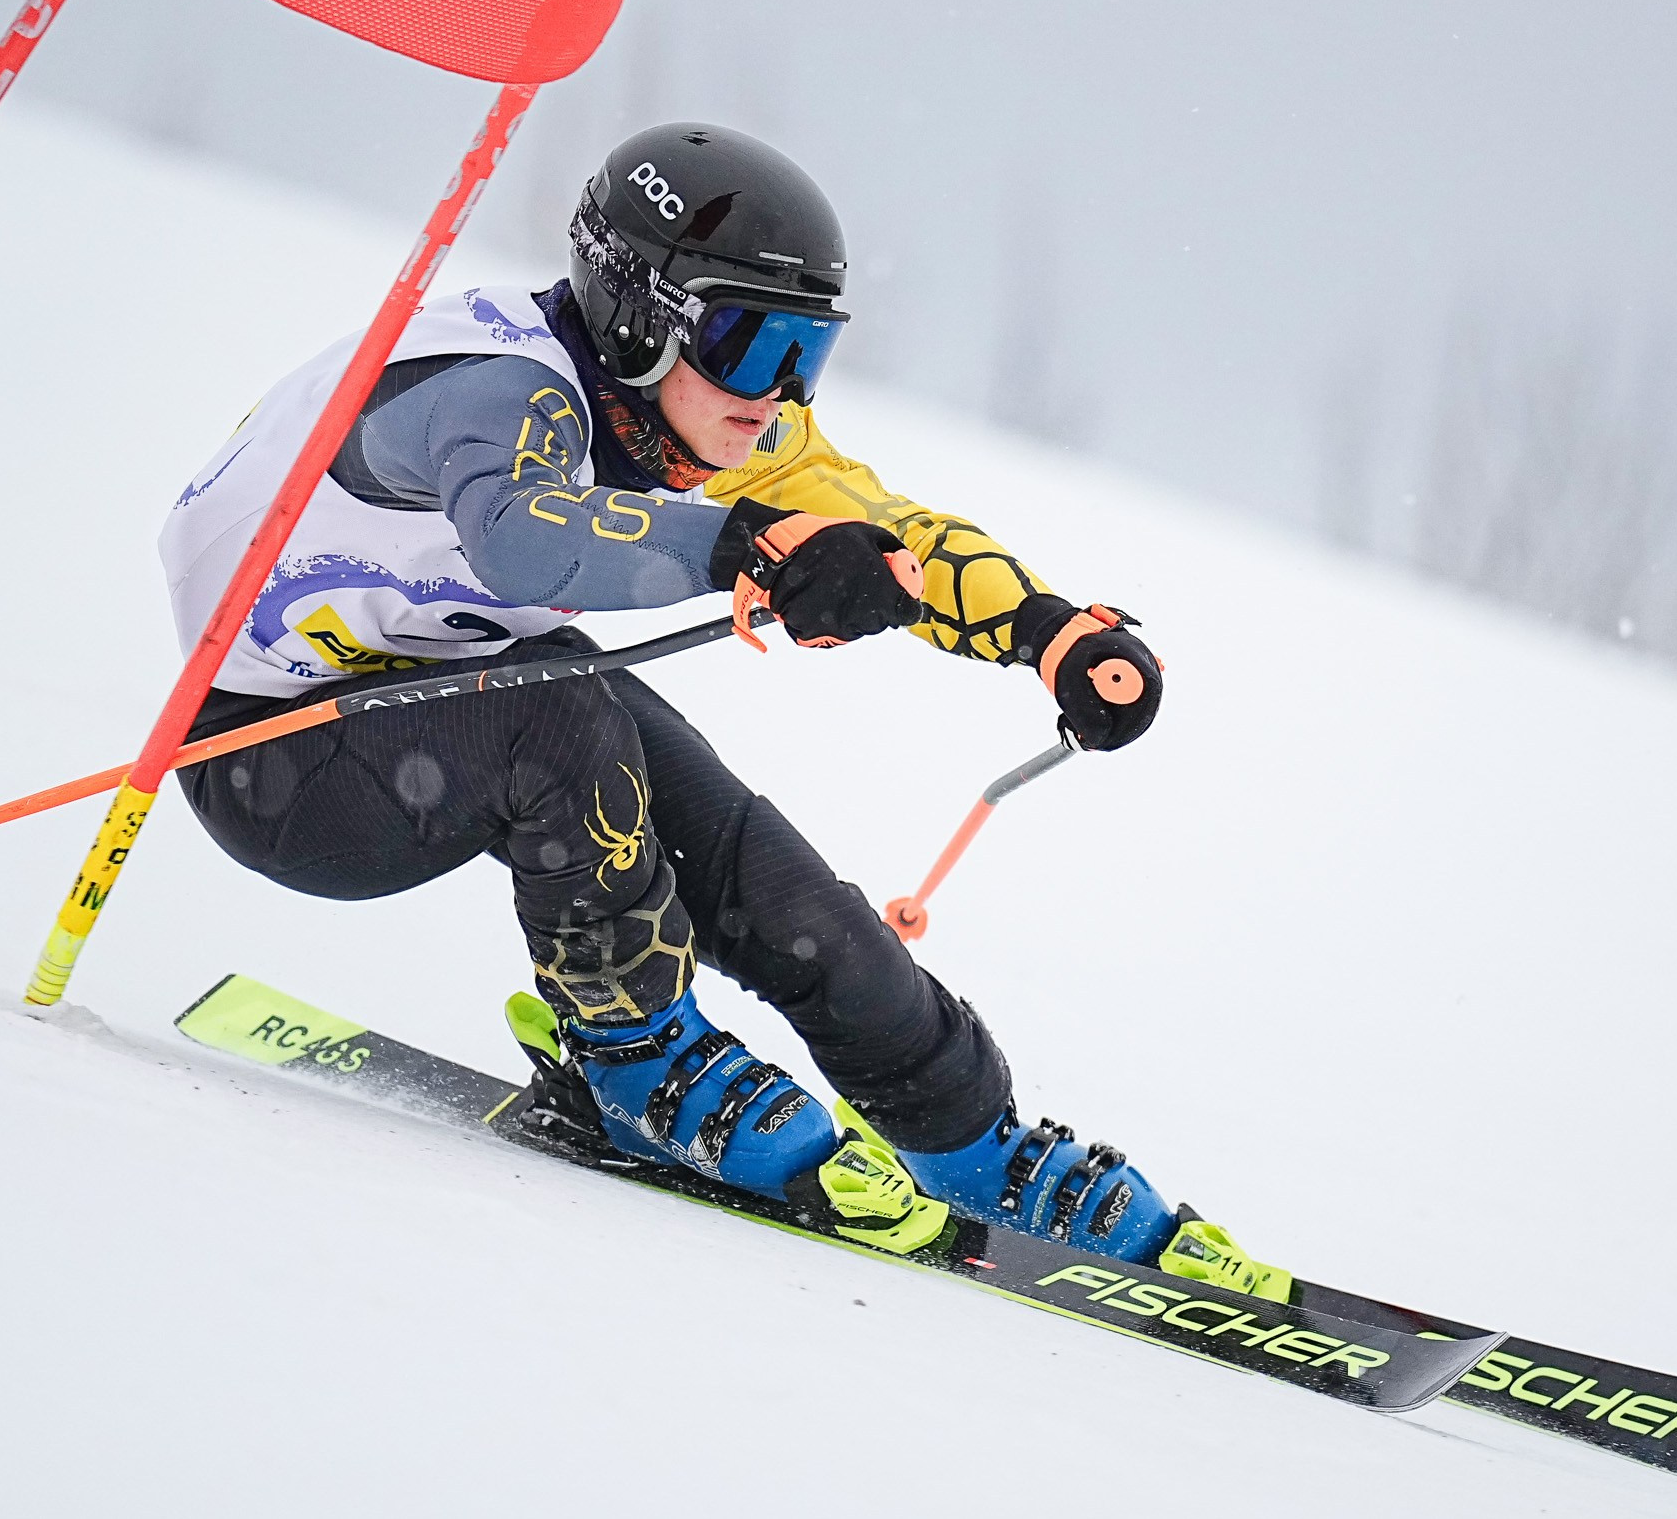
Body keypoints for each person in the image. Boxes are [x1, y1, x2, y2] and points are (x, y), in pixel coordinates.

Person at [160, 123, 1285, 1291]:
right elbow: (527, 539)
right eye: (752, 343)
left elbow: (881, 534)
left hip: (461, 693)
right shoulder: (495, 391)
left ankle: (968, 1141)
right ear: (641, 317)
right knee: (569, 728)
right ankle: (631, 1059)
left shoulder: (712, 420)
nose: (779, 396)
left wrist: (1046, 630)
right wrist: (748, 547)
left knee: (765, 876)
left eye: (809, 352)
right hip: (279, 765)